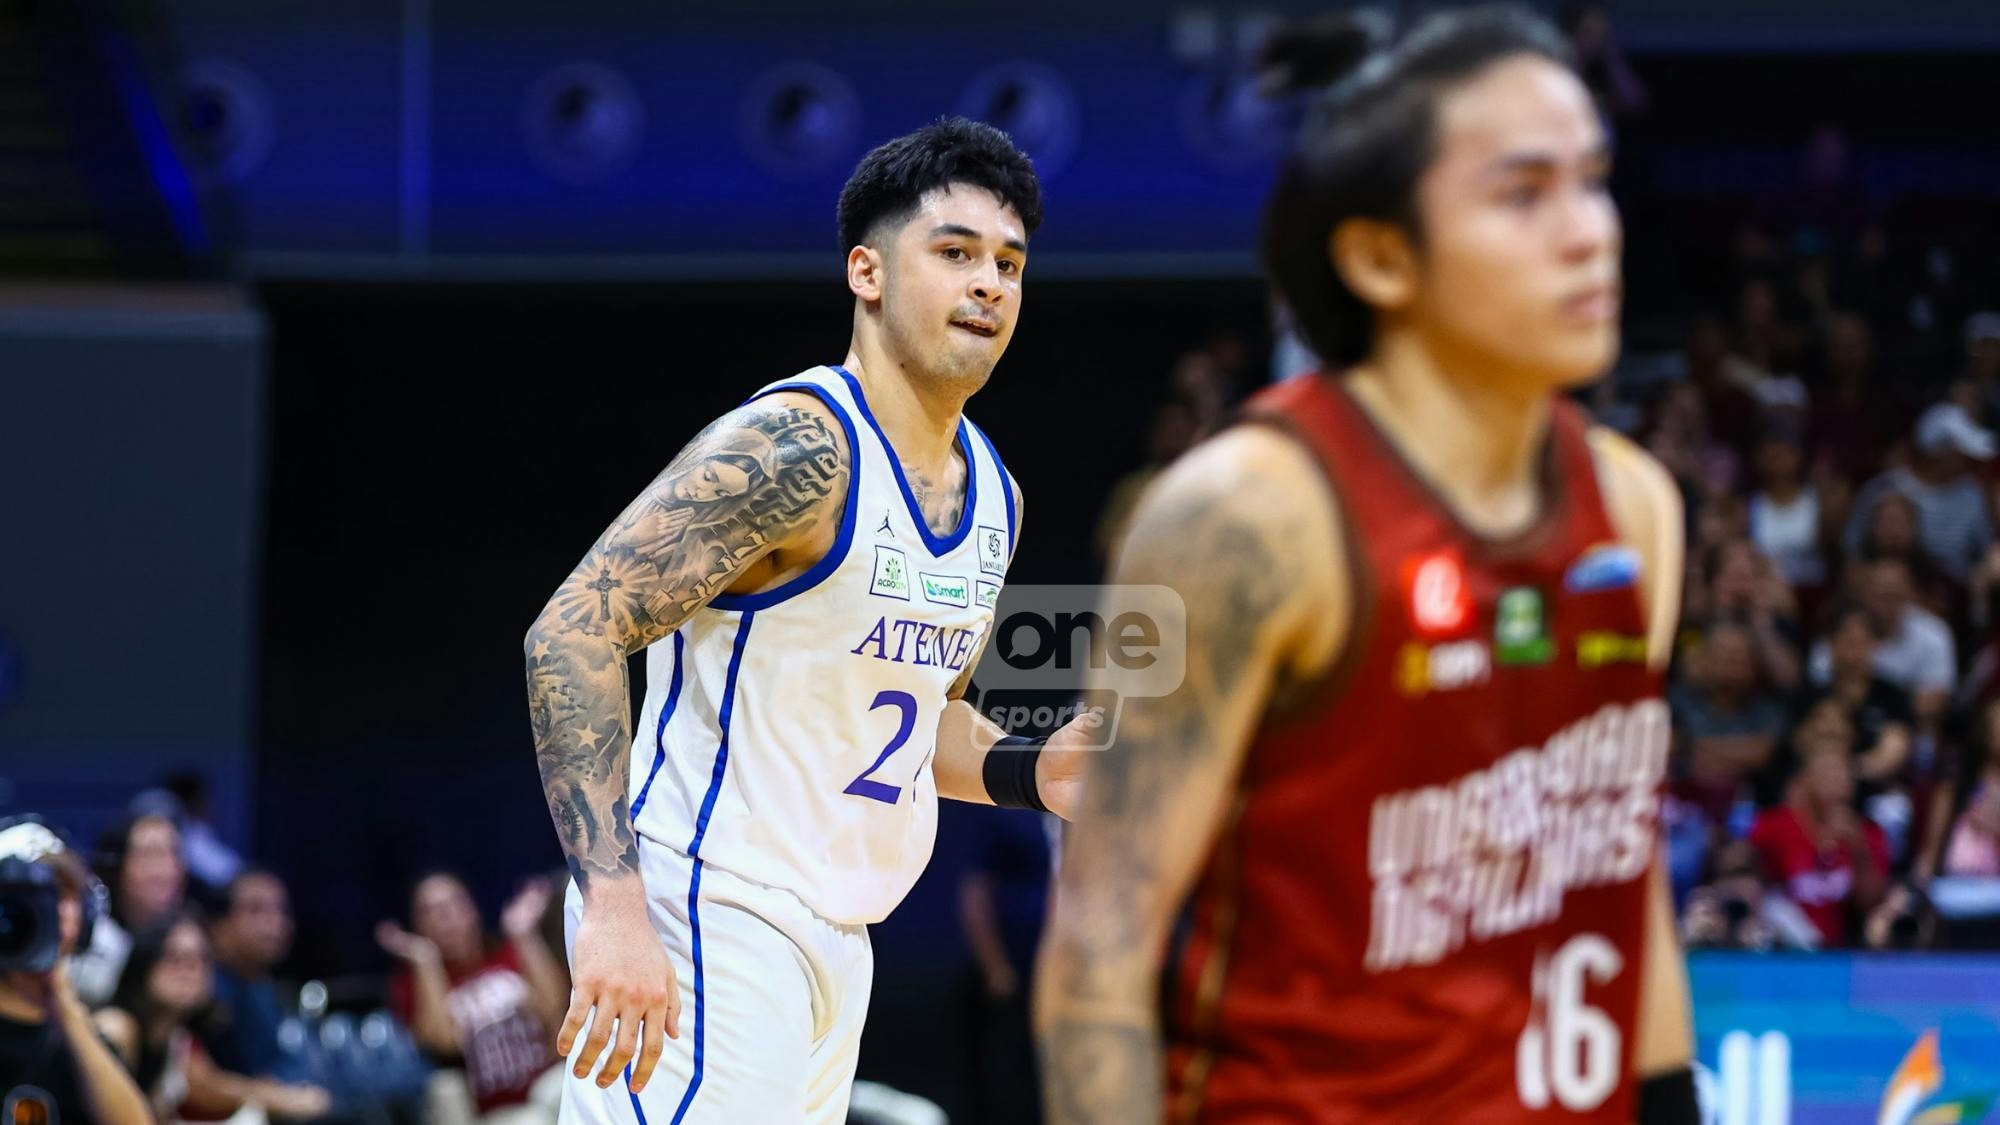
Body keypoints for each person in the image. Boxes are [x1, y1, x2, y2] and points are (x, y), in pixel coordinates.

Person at [1037, 8, 1695, 1123]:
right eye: (1524, 194)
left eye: (1593, 181)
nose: (1590, 231)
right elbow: (1101, 949)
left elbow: (1617, 876)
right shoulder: (1239, 519)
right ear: (1381, 256)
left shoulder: (1634, 509)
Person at [522, 118, 1095, 1123]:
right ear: (866, 272)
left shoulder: (994, 495)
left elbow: (914, 724)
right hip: (708, 909)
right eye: (954, 253)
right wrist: (612, 904)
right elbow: (572, 631)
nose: (988, 285)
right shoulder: (797, 446)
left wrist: (1033, 770)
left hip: (835, 940)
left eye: (1008, 264)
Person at [96, 913, 331, 1121]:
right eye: (175, 958)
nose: (191, 970)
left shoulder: (174, 1042)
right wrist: (284, 1099)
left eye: (201, 959)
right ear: (144, 965)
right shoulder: (118, 1027)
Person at [378, 872, 567, 1123]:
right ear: (417, 923)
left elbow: (555, 1006)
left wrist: (524, 935)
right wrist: (426, 961)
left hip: (548, 1083)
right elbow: (444, 1042)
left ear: (472, 908)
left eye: (454, 902)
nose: (447, 915)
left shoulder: (507, 954)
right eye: (431, 910)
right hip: (497, 1110)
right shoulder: (415, 984)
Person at [0, 818, 152, 1125]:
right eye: (30, 897)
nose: (52, 912)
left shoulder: (80, 1035)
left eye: (62, 894)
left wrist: (66, 1008)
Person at [1747, 739, 1890, 948]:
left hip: (1847, 948)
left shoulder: (1868, 833)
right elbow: (1751, 882)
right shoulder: (1773, 826)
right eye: (1827, 772)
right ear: (1806, 779)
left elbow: (1872, 903)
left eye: (1843, 772)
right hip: (1783, 945)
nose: (1837, 779)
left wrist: (1858, 850)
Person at [1843, 400, 1995, 585]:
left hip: (1953, 592)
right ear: (1938, 452)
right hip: (1888, 589)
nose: (1967, 459)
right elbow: (1853, 552)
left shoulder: (1972, 494)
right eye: (1960, 451)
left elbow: (1985, 555)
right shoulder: (1885, 488)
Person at [204, 868, 297, 1081]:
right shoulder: (202, 989)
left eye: (282, 911)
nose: (275, 923)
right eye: (256, 910)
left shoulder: (263, 987)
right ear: (219, 924)